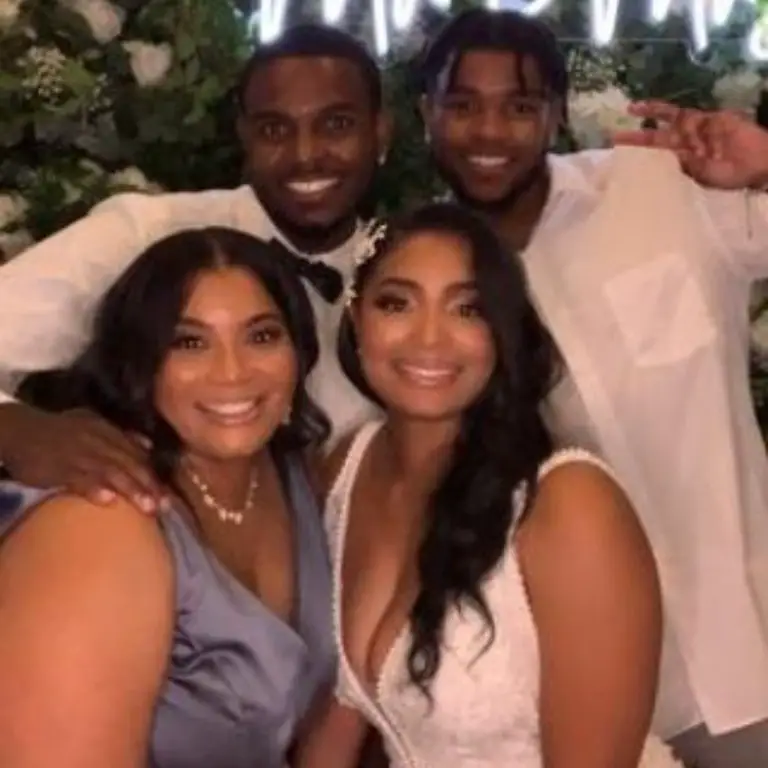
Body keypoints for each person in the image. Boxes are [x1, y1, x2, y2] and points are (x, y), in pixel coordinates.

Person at [416, 8, 768, 766]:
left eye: (518, 106)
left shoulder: (660, 190)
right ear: (426, 114)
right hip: (578, 698)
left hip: (747, 656)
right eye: (463, 104)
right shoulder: (426, 286)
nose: (489, 132)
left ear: (555, 114)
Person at [295, 202, 676, 768]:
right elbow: (342, 713)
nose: (429, 338)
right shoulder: (349, 468)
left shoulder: (569, 505)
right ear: (356, 319)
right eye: (396, 303)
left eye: (467, 309)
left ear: (502, 333)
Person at [0, 23, 388, 512]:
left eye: (336, 124)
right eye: (274, 129)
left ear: (380, 131)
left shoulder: (403, 274)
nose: (306, 154)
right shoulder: (147, 233)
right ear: (244, 136)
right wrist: (17, 431)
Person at [0, 227, 335, 768]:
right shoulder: (100, 524)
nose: (232, 371)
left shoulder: (295, 473)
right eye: (190, 342)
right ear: (142, 364)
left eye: (262, 336)